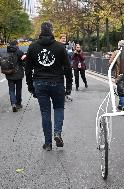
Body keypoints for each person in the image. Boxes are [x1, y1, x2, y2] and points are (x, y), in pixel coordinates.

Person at [25, 21, 73, 151]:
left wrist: (30, 86)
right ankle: (57, 133)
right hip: (57, 82)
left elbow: (28, 69)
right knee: (58, 108)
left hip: (40, 83)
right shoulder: (59, 47)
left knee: (45, 112)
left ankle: (48, 143)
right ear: (52, 31)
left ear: (41, 31)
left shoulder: (33, 47)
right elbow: (68, 68)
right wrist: (69, 86)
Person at [2, 40, 26, 112]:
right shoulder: (19, 52)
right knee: (18, 89)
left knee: (11, 90)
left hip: (9, 74)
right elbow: (24, 61)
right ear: (16, 44)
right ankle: (18, 104)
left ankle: (13, 103)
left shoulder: (5, 52)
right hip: (18, 74)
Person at [109, 40, 124, 111]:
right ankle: (120, 105)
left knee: (120, 89)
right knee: (123, 88)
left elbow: (111, 62)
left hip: (119, 74)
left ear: (119, 46)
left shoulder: (116, 52)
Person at [59, 34, 73, 101]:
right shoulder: (57, 46)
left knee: (69, 79)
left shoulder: (68, 46)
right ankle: (62, 94)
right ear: (60, 39)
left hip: (68, 65)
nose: (64, 39)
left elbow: (70, 54)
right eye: (62, 38)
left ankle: (68, 93)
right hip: (60, 66)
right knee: (60, 80)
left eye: (65, 38)